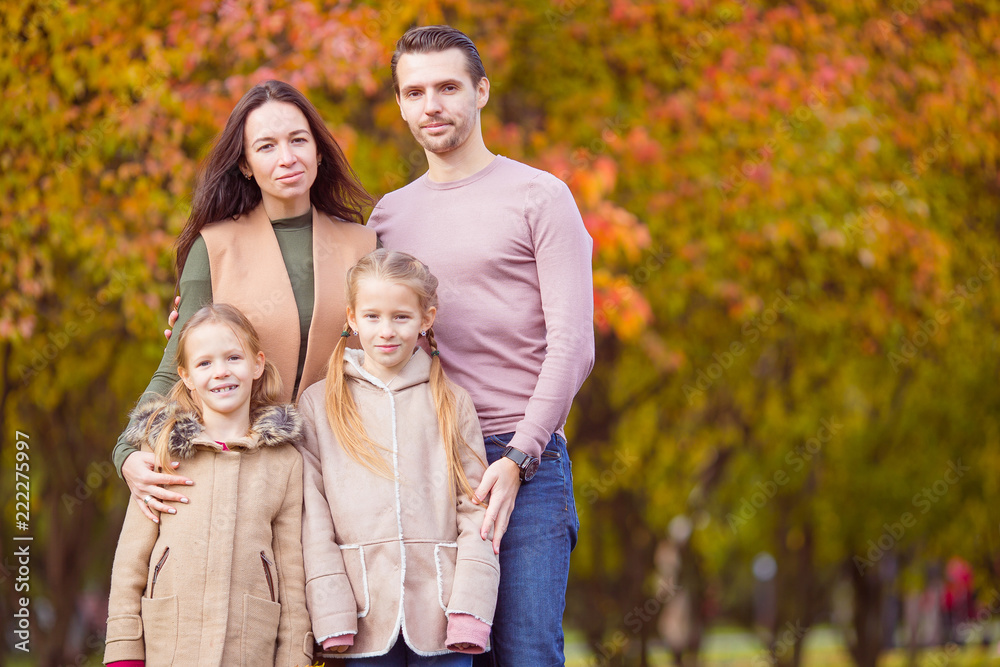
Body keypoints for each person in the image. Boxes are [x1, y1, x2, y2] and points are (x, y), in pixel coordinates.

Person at [368, 26, 595, 666]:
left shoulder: (540, 197)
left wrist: (520, 456)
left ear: (482, 91)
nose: (431, 105)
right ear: (401, 105)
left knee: (525, 654)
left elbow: (574, 345)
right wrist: (204, 307)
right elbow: (346, 323)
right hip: (424, 464)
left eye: (447, 87)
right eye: (414, 92)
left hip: (522, 461)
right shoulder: (387, 219)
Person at [114, 80, 376, 523]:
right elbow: (175, 367)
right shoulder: (214, 247)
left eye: (298, 140)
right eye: (267, 146)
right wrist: (125, 452)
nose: (287, 157)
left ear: (319, 151)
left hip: (344, 472)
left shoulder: (364, 244)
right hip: (238, 472)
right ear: (246, 165)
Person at [295, 249, 499, 665]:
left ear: (426, 319)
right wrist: (331, 610)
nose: (386, 331)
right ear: (352, 318)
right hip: (360, 618)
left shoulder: (453, 402)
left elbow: (477, 512)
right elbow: (312, 519)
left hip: (442, 617)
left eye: (401, 317)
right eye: (372, 317)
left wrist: (469, 611)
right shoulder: (319, 403)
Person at [103, 304, 313, 666]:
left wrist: (295, 655)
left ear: (257, 364)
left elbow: (292, 574)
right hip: (169, 644)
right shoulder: (161, 451)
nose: (221, 372)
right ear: (184, 375)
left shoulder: (285, 463)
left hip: (249, 646)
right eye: (204, 363)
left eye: (233, 357)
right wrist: (123, 650)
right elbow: (130, 562)